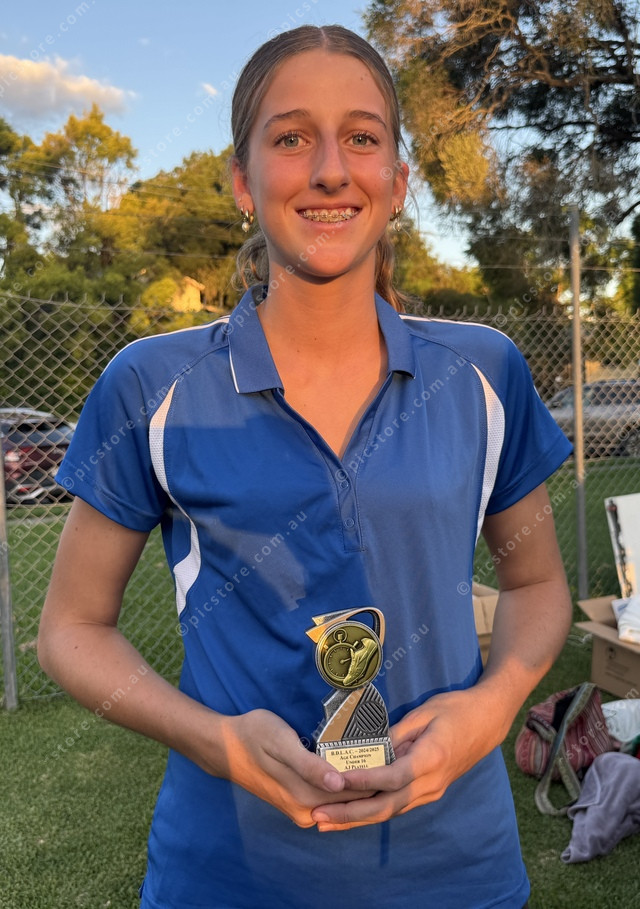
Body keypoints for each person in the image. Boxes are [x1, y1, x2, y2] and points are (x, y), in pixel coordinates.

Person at [38, 24, 573, 909]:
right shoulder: (151, 385)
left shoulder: (485, 371)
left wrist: (494, 705)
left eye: (361, 137)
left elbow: (538, 583)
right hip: (228, 877)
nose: (330, 169)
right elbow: (71, 628)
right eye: (291, 137)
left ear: (398, 182)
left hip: (461, 875)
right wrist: (214, 739)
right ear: (243, 183)